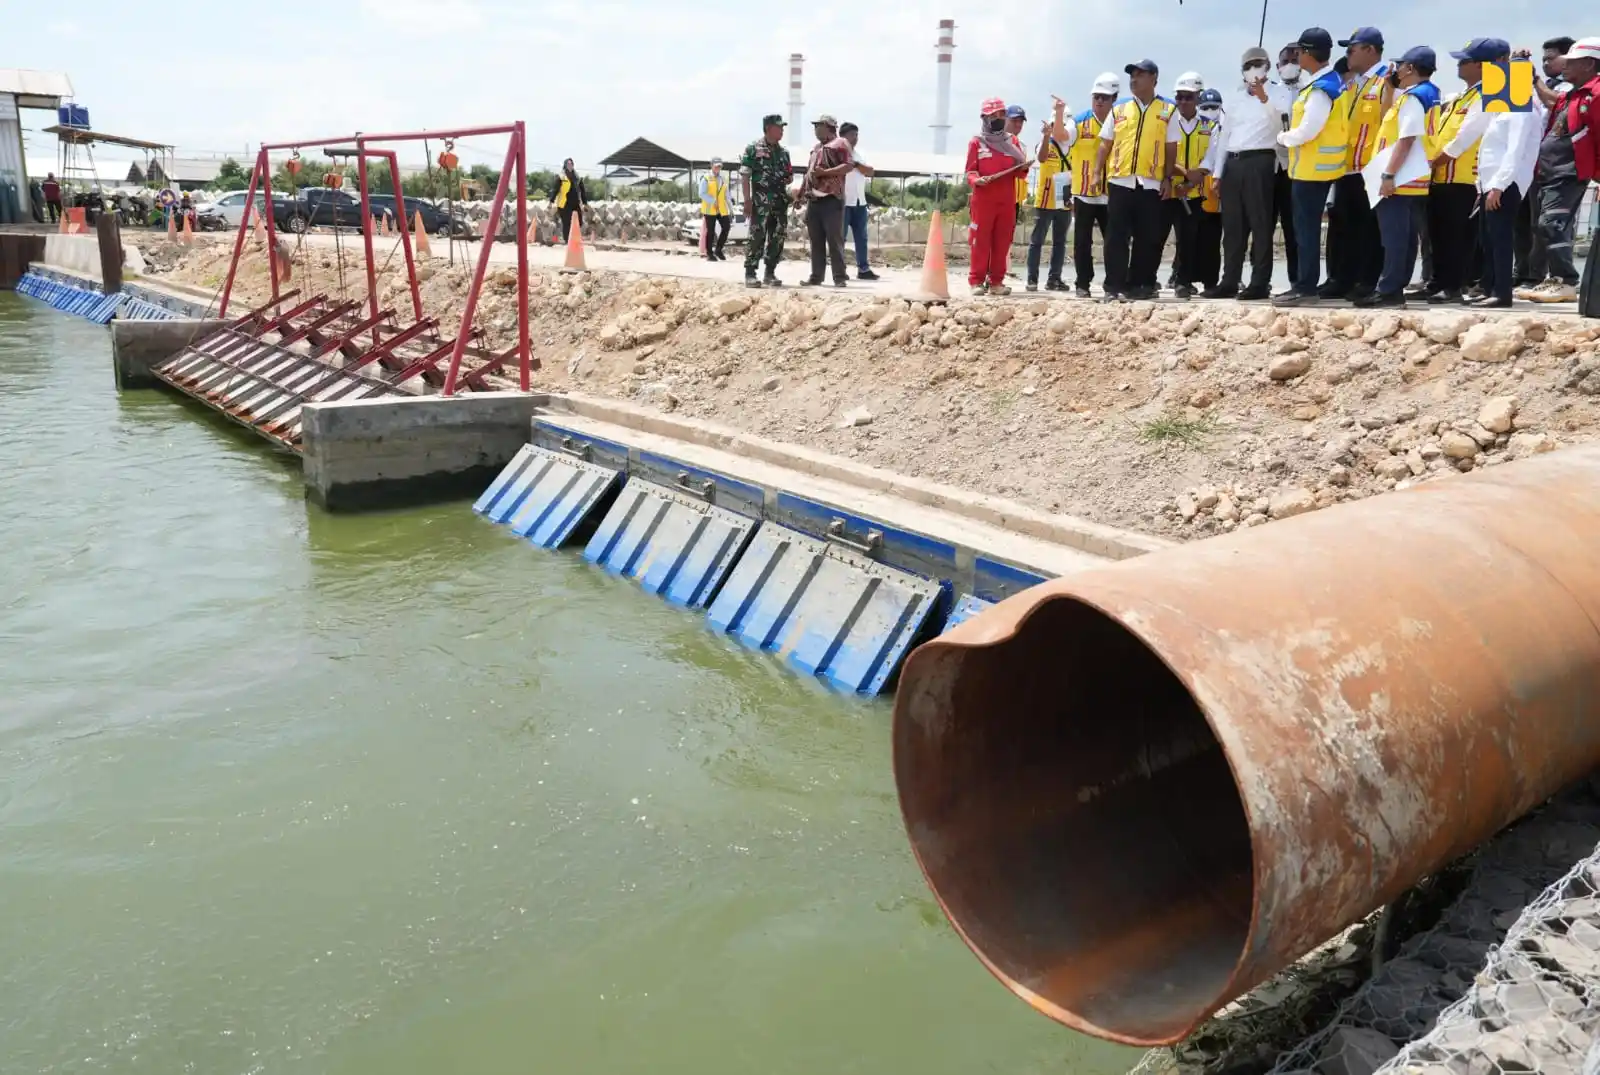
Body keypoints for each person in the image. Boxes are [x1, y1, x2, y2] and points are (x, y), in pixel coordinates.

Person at [1517, 38, 1600, 304]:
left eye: (1571, 62)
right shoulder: (1575, 93)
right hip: (1551, 171)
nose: (1565, 66)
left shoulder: (1596, 94)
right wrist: (1533, 78)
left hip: (1571, 171)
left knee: (1551, 223)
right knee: (1545, 226)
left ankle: (1565, 281)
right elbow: (1554, 101)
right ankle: (1555, 280)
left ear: (1589, 64)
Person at [1358, 46, 1441, 308]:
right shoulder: (1429, 93)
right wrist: (1389, 88)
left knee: (1394, 238)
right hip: (1415, 177)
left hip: (1401, 176)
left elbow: (1405, 139)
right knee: (1405, 238)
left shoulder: (1414, 98)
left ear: (1411, 68)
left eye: (1401, 65)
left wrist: (1388, 174)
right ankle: (1396, 286)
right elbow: (1388, 116)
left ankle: (1389, 290)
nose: (1398, 70)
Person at [1205, 47, 1290, 300]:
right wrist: (1218, 173)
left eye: (1259, 63)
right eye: (1249, 64)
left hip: (1261, 161)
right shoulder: (1234, 97)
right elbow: (1224, 137)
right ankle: (1230, 280)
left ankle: (1260, 282)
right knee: (1232, 227)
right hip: (1233, 162)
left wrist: (1264, 97)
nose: (1254, 68)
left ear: (1267, 66)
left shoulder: (1279, 93)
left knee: (1260, 224)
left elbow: (1281, 125)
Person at [1273, 28, 1348, 306]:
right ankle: (1306, 284)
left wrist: (1283, 137)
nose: (1297, 57)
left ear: (1308, 53)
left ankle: (1305, 287)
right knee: (1306, 230)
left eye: (1299, 52)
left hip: (1312, 170)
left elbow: (1308, 130)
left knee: (1305, 231)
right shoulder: (1328, 82)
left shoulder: (1321, 89)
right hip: (1316, 168)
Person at [1425, 40, 1501, 304]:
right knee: (1439, 234)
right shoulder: (1463, 95)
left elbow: (1464, 137)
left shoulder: (1488, 95)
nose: (1459, 64)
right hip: (1442, 176)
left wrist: (1434, 161)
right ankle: (1438, 282)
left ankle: (1454, 286)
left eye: (1465, 60)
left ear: (1482, 65)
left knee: (1458, 237)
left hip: (1464, 178)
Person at [1095, 59, 1176, 302]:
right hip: (1120, 181)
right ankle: (1114, 286)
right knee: (1116, 236)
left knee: (1147, 237)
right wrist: (1098, 173)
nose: (1134, 79)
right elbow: (1105, 144)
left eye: (1140, 74)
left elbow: (1171, 147)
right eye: (1132, 75)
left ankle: (1140, 284)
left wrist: (1168, 178)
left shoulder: (1167, 111)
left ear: (1154, 79)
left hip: (1150, 183)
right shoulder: (1119, 109)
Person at [1472, 51, 1539, 308]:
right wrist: (1485, 186)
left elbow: (1515, 150)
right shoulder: (1504, 108)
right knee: (1488, 239)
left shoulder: (1523, 109)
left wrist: (1499, 186)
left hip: (1506, 184)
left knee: (1500, 239)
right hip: (1490, 184)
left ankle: (1502, 293)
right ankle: (1490, 288)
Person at [1515, 37, 1576, 286]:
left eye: (1551, 58)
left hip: (1556, 166)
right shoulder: (1541, 85)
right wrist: (1516, 68)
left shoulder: (1571, 87)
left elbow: (1556, 104)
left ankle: (1544, 275)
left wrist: (1534, 80)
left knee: (1546, 224)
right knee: (1523, 224)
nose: (1545, 63)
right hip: (1529, 164)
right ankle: (1524, 272)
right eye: (1543, 59)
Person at [965, 97, 1030, 295]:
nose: (998, 118)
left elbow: (1019, 172)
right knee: (980, 240)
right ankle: (976, 281)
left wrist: (1023, 167)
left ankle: (996, 282)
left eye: (1001, 114)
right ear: (984, 117)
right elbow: (970, 171)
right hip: (984, 200)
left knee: (1002, 242)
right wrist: (977, 181)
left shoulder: (1013, 142)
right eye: (994, 115)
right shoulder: (977, 142)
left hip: (1006, 200)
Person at [1165, 75, 1217, 298]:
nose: (1183, 101)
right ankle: (1143, 280)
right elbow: (1161, 153)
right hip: (1168, 191)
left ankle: (1183, 281)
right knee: (1155, 238)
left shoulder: (1210, 126)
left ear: (1197, 97)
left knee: (1188, 240)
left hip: (1195, 193)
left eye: (1188, 97)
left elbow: (1212, 155)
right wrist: (1183, 174)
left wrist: (1195, 177)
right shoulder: (1166, 123)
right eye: (1179, 97)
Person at [1069, 74, 1119, 297]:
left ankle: (1114, 284)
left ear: (1114, 99)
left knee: (1114, 241)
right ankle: (1082, 283)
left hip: (1111, 192)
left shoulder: (1121, 122)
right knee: (1082, 242)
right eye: (1096, 97)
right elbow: (1062, 137)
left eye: (1104, 98)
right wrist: (1059, 115)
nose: (1099, 101)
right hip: (1084, 192)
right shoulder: (1079, 121)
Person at [795, 114, 854, 288]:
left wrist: (825, 173)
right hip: (814, 200)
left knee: (834, 240)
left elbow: (848, 166)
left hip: (831, 199)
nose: (816, 130)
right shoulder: (815, 149)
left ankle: (839, 277)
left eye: (819, 126)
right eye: (815, 126)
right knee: (816, 240)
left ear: (829, 127)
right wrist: (800, 195)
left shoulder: (841, 144)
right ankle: (816, 277)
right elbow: (809, 173)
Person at [740, 114, 794, 288]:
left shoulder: (784, 152)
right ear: (769, 128)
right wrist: (747, 200)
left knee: (777, 236)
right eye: (779, 127)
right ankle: (750, 272)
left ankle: (770, 272)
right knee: (757, 235)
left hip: (779, 202)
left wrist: (788, 180)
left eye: (783, 127)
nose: (782, 130)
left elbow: (789, 175)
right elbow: (745, 176)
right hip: (760, 201)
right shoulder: (753, 148)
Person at [1026, 96, 1073, 292]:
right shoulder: (1045, 143)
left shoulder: (1072, 145)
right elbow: (1042, 157)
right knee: (1037, 240)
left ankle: (1054, 279)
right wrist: (1046, 137)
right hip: (1046, 195)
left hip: (1064, 196)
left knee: (1060, 242)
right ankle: (1032, 280)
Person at [1273, 43, 1305, 290]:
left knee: (1295, 228)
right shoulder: (1270, 92)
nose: (1291, 64)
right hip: (1271, 167)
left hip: (1299, 168)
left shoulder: (1310, 91)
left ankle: (1298, 280)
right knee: (1263, 227)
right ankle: (1260, 281)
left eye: (1296, 58)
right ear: (1277, 66)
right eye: (1286, 60)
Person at [839, 122, 878, 281]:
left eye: (856, 135)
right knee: (840, 238)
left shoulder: (860, 154)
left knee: (861, 237)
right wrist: (856, 166)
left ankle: (863, 268)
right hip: (843, 202)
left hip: (859, 202)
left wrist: (856, 164)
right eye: (852, 135)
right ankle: (840, 269)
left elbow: (870, 172)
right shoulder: (837, 153)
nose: (855, 138)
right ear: (843, 136)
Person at [698, 158, 732, 262]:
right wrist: (713, 201)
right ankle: (709, 253)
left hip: (721, 209)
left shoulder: (723, 178)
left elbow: (727, 195)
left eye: (720, 166)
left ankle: (718, 249)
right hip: (710, 210)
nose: (718, 168)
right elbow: (701, 193)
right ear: (712, 166)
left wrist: (731, 209)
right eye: (716, 166)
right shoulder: (706, 178)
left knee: (726, 227)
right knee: (711, 232)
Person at [549, 159, 588, 242]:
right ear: (565, 165)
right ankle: (567, 240)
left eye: (571, 164)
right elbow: (555, 190)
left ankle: (573, 237)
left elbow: (583, 191)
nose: (570, 165)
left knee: (579, 221)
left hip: (575, 203)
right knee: (567, 222)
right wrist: (551, 202)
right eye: (568, 164)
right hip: (564, 204)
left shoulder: (578, 177)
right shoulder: (561, 177)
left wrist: (585, 203)